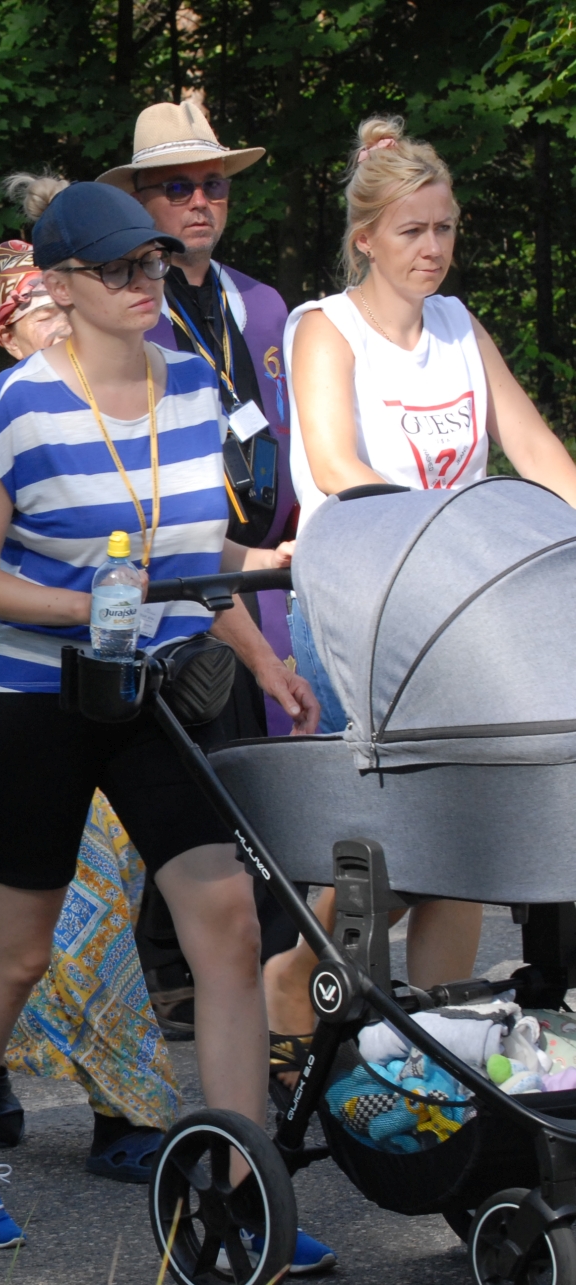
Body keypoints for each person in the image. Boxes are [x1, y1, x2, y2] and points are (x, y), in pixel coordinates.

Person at [0, 181, 334, 1274]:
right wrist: (86, 605)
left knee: (228, 925)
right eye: (118, 269)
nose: (146, 283)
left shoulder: (193, 382)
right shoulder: (17, 406)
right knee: (21, 949)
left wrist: (266, 652)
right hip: (36, 698)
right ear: (59, 286)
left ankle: (243, 1189)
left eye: (151, 263)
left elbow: (193, 554)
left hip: (156, 690)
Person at [266, 115, 576, 1041]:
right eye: (412, 230)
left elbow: (539, 456)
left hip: (462, 611)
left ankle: (447, 1049)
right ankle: (294, 981)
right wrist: (451, 532)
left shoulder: (458, 326)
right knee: (388, 849)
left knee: (466, 840)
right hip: (360, 605)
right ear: (366, 238)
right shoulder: (324, 329)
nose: (432, 248)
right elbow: (335, 465)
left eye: (444, 228)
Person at [0, 223, 179, 1185]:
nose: (53, 321)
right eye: (32, 310)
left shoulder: (127, 408)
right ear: (4, 329)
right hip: (23, 706)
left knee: (92, 913)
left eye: (59, 303)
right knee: (80, 916)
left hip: (127, 703)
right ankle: (129, 1114)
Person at [100, 97, 309, 1085]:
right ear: (142, 201)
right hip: (179, 573)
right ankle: (172, 963)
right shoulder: (132, 310)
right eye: (177, 186)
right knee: (190, 771)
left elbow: (288, 428)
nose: (199, 202)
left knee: (262, 775)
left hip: (266, 567)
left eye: (213, 185)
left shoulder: (262, 306)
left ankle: (265, 971)